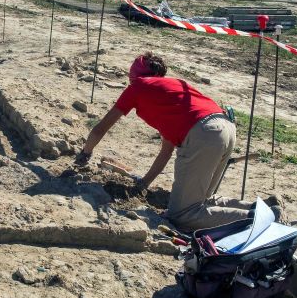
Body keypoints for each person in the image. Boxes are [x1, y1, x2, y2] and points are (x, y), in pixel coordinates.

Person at [75, 53, 261, 233]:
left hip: (204, 134)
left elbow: (100, 128)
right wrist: (143, 184)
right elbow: (166, 152)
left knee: (182, 214)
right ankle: (261, 208)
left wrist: (85, 153)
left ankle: (258, 219)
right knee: (202, 199)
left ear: (134, 75)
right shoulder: (170, 94)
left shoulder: (137, 87)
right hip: (225, 127)